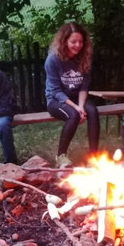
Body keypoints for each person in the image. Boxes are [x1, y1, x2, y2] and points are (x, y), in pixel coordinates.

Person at [45, 22, 98, 168]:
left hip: (77, 97)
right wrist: (76, 108)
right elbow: (55, 91)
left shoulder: (84, 57)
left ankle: (94, 157)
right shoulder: (53, 59)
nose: (77, 45)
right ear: (64, 41)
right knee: (73, 115)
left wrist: (81, 106)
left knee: (92, 111)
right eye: (73, 41)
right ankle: (61, 156)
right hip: (55, 100)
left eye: (80, 41)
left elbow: (84, 87)